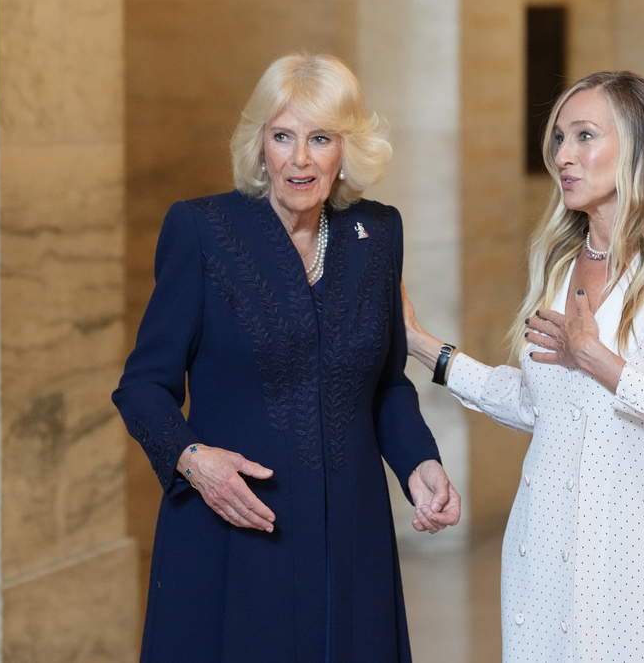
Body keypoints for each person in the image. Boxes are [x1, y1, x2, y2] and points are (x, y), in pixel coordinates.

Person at [113, 52, 460, 662]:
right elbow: (142, 386)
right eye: (283, 137)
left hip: (352, 536)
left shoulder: (377, 234)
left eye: (320, 138)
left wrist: (418, 462)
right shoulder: (201, 231)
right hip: (235, 528)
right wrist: (194, 461)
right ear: (260, 145)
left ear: (346, 149)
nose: (300, 159)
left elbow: (384, 383)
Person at [403, 71, 644, 661]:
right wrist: (422, 345)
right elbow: (542, 405)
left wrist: (604, 364)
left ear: (638, 147)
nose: (563, 156)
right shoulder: (559, 267)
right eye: (559, 138)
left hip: (642, 547)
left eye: (585, 136)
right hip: (544, 539)